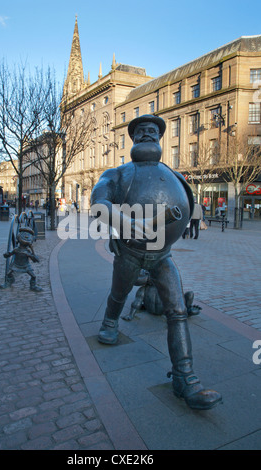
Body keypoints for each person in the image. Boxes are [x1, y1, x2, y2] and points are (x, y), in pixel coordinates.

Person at [91, 114, 221, 410]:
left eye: (153, 131)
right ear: (133, 138)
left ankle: (185, 378)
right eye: (142, 131)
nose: (148, 134)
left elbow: (188, 204)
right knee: (119, 293)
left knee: (177, 310)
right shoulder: (117, 173)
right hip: (130, 250)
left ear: (160, 138)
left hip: (163, 255)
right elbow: (99, 205)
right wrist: (122, 221)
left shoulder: (174, 175)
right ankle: (110, 321)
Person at [0, 226, 42, 292]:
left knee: (33, 276)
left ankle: (33, 286)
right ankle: (8, 283)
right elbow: (10, 253)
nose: (26, 237)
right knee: (8, 274)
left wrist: (32, 251)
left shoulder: (27, 251)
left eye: (28, 236)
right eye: (24, 235)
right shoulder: (16, 250)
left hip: (26, 266)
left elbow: (34, 259)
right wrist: (7, 254)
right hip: (15, 265)